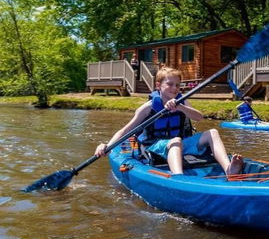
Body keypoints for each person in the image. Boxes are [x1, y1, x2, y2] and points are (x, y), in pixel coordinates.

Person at [95, 67, 243, 175]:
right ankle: (179, 178)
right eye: (170, 84)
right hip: (155, 148)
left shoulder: (182, 101)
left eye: (177, 85)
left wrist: (180, 108)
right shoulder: (147, 107)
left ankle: (228, 168)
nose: (174, 88)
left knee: (213, 132)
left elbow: (199, 117)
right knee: (175, 140)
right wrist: (107, 145)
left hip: (180, 144)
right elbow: (126, 131)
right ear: (159, 86)